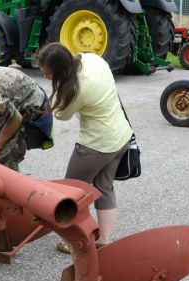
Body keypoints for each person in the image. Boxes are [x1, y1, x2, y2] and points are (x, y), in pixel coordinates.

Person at [37, 43, 133, 252]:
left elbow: (61, 115)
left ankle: (74, 242)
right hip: (121, 137)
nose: (44, 76)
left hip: (97, 145)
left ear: (59, 71)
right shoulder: (92, 60)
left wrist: (57, 86)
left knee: (72, 191)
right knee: (104, 187)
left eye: (48, 73)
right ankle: (104, 240)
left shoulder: (75, 90)